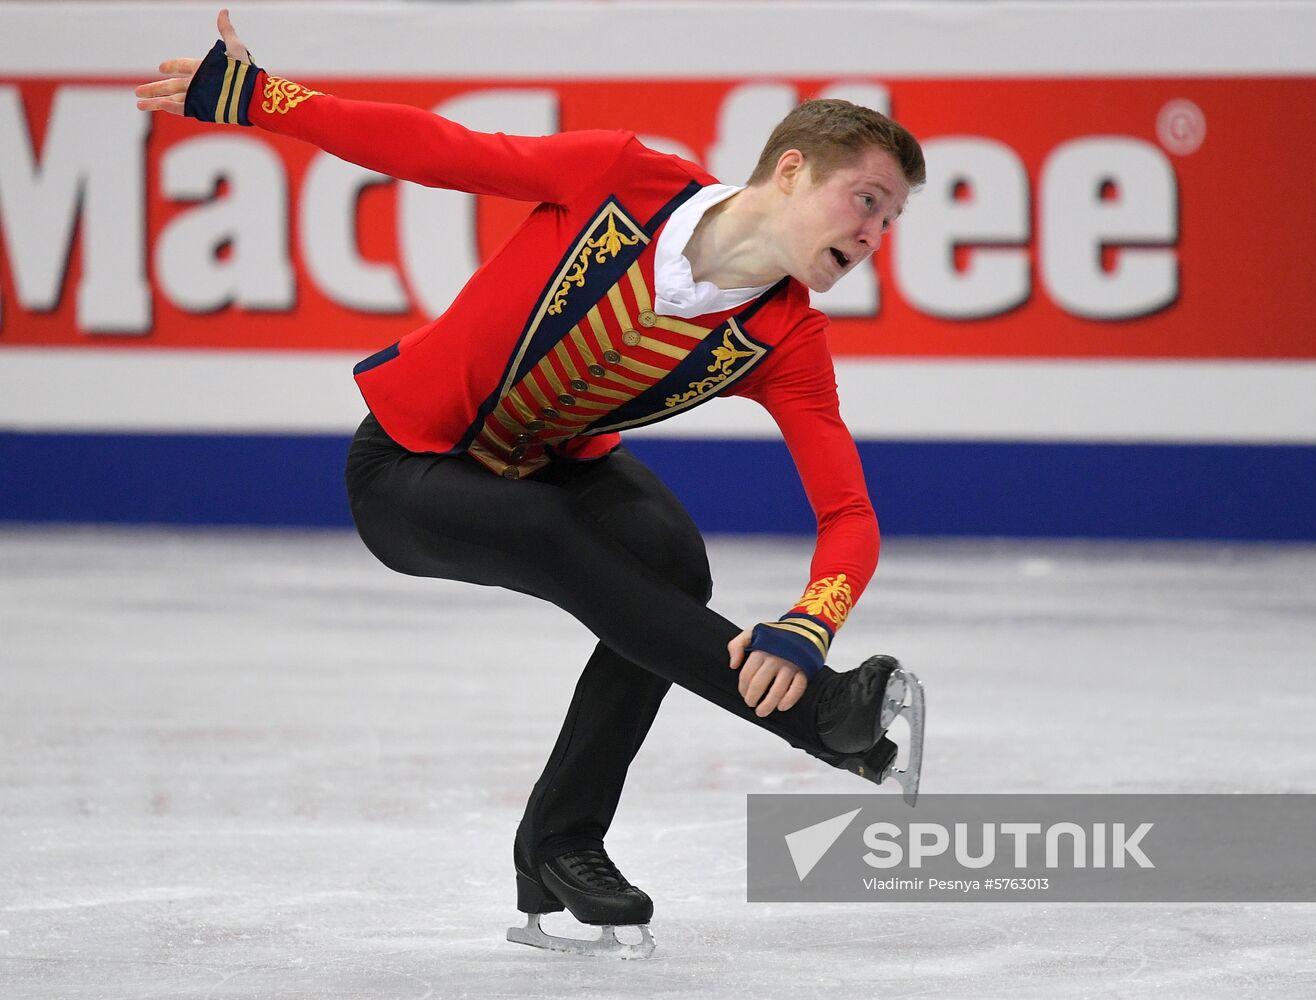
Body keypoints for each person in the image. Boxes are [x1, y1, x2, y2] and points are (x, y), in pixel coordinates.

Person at [136, 9, 928, 960]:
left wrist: (810, 623)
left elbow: (848, 513)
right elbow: (434, 149)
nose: (875, 232)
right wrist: (265, 98)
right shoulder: (624, 180)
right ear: (792, 169)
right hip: (406, 472)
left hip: (550, 473)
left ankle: (560, 845)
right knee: (557, 539)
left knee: (670, 558)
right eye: (867, 199)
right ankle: (819, 721)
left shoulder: (788, 338)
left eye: (890, 220)